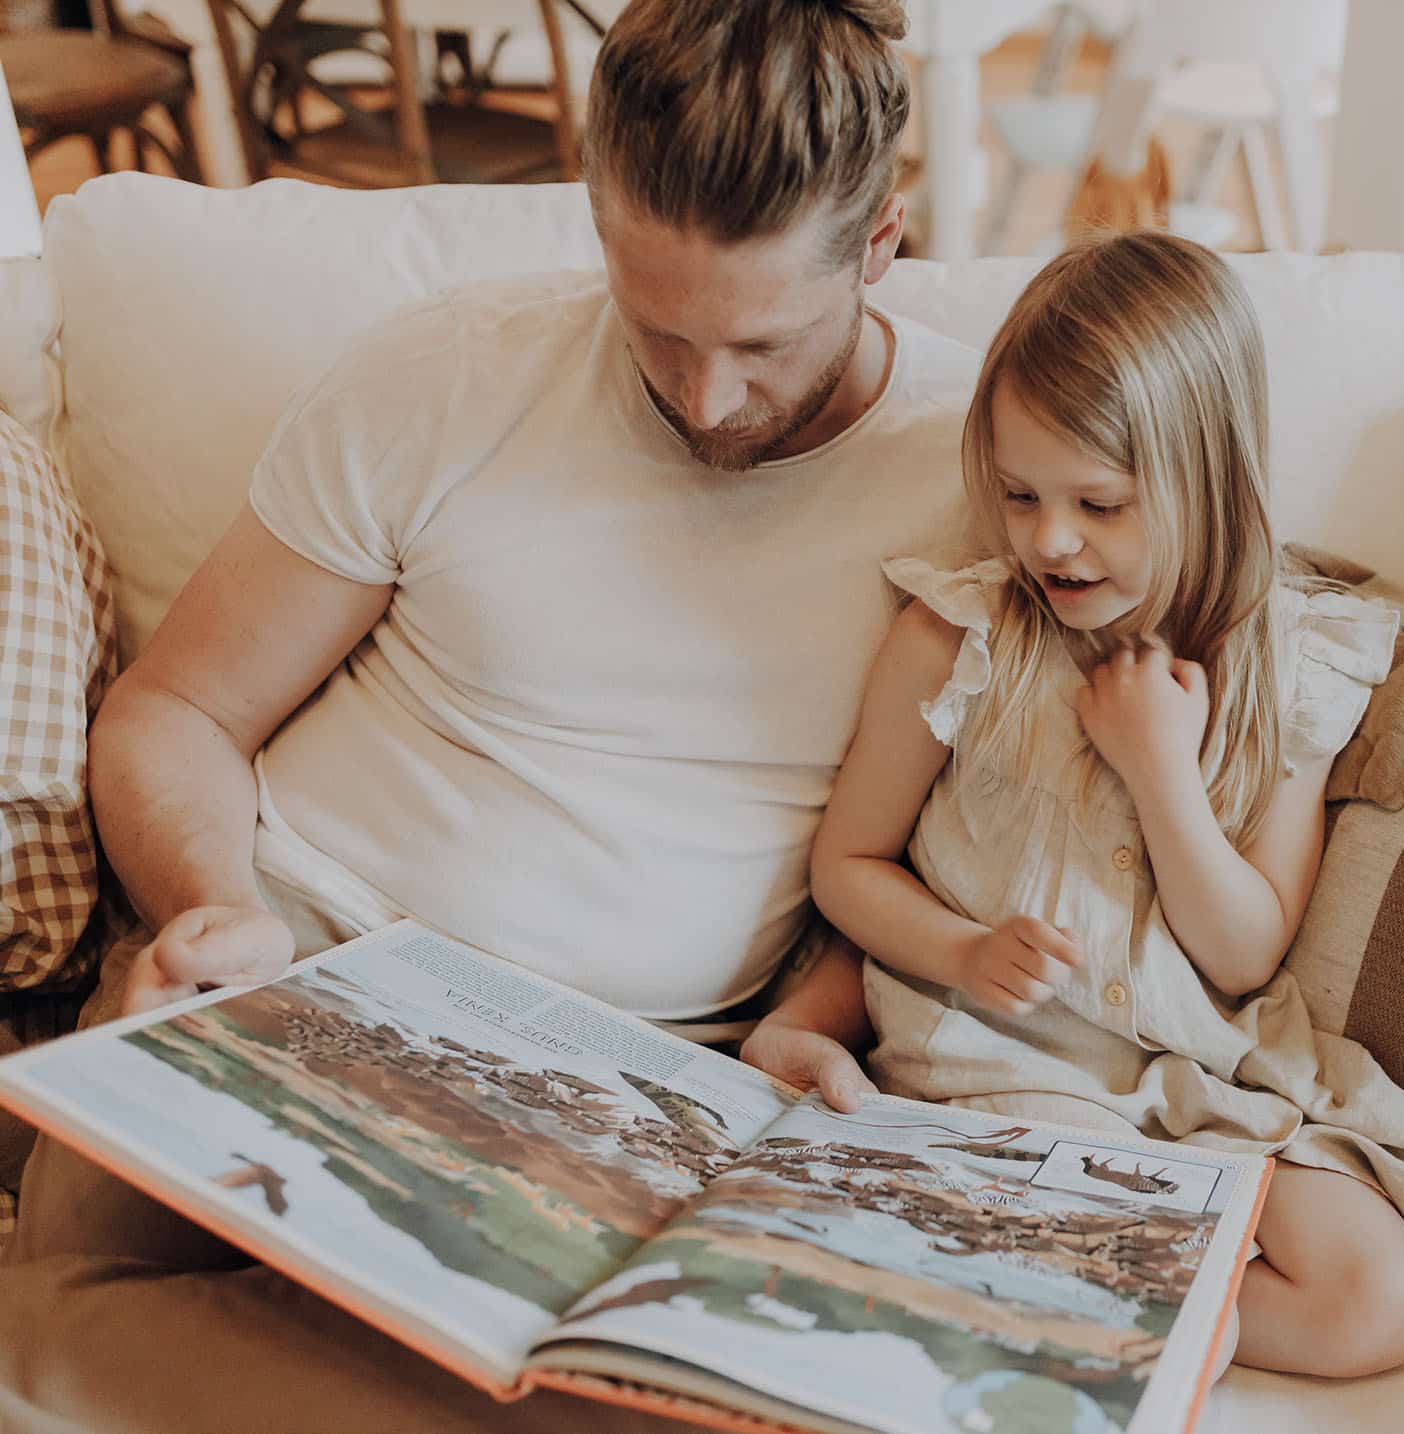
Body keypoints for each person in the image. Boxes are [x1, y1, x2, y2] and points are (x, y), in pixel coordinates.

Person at [0, 2, 960, 1427]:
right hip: (304, 981)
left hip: (645, 1093)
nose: (703, 395)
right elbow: (174, 710)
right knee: (65, 1318)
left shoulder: (984, 485)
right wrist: (213, 910)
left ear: (881, 241)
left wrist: (815, 1016)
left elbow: (934, 856)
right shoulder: (449, 372)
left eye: (759, 340)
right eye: (655, 323)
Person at [808, 231, 1404, 1379]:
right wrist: (965, 950)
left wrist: (1162, 774)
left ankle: (1089, 1311)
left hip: (1196, 1079)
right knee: (1089, 1212)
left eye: (1098, 502)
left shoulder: (1290, 666)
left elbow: (1241, 956)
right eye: (1019, 493)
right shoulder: (956, 638)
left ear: (1205, 482)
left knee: (1381, 1298)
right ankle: (1091, 1306)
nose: (1047, 539)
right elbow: (847, 867)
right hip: (1004, 1069)